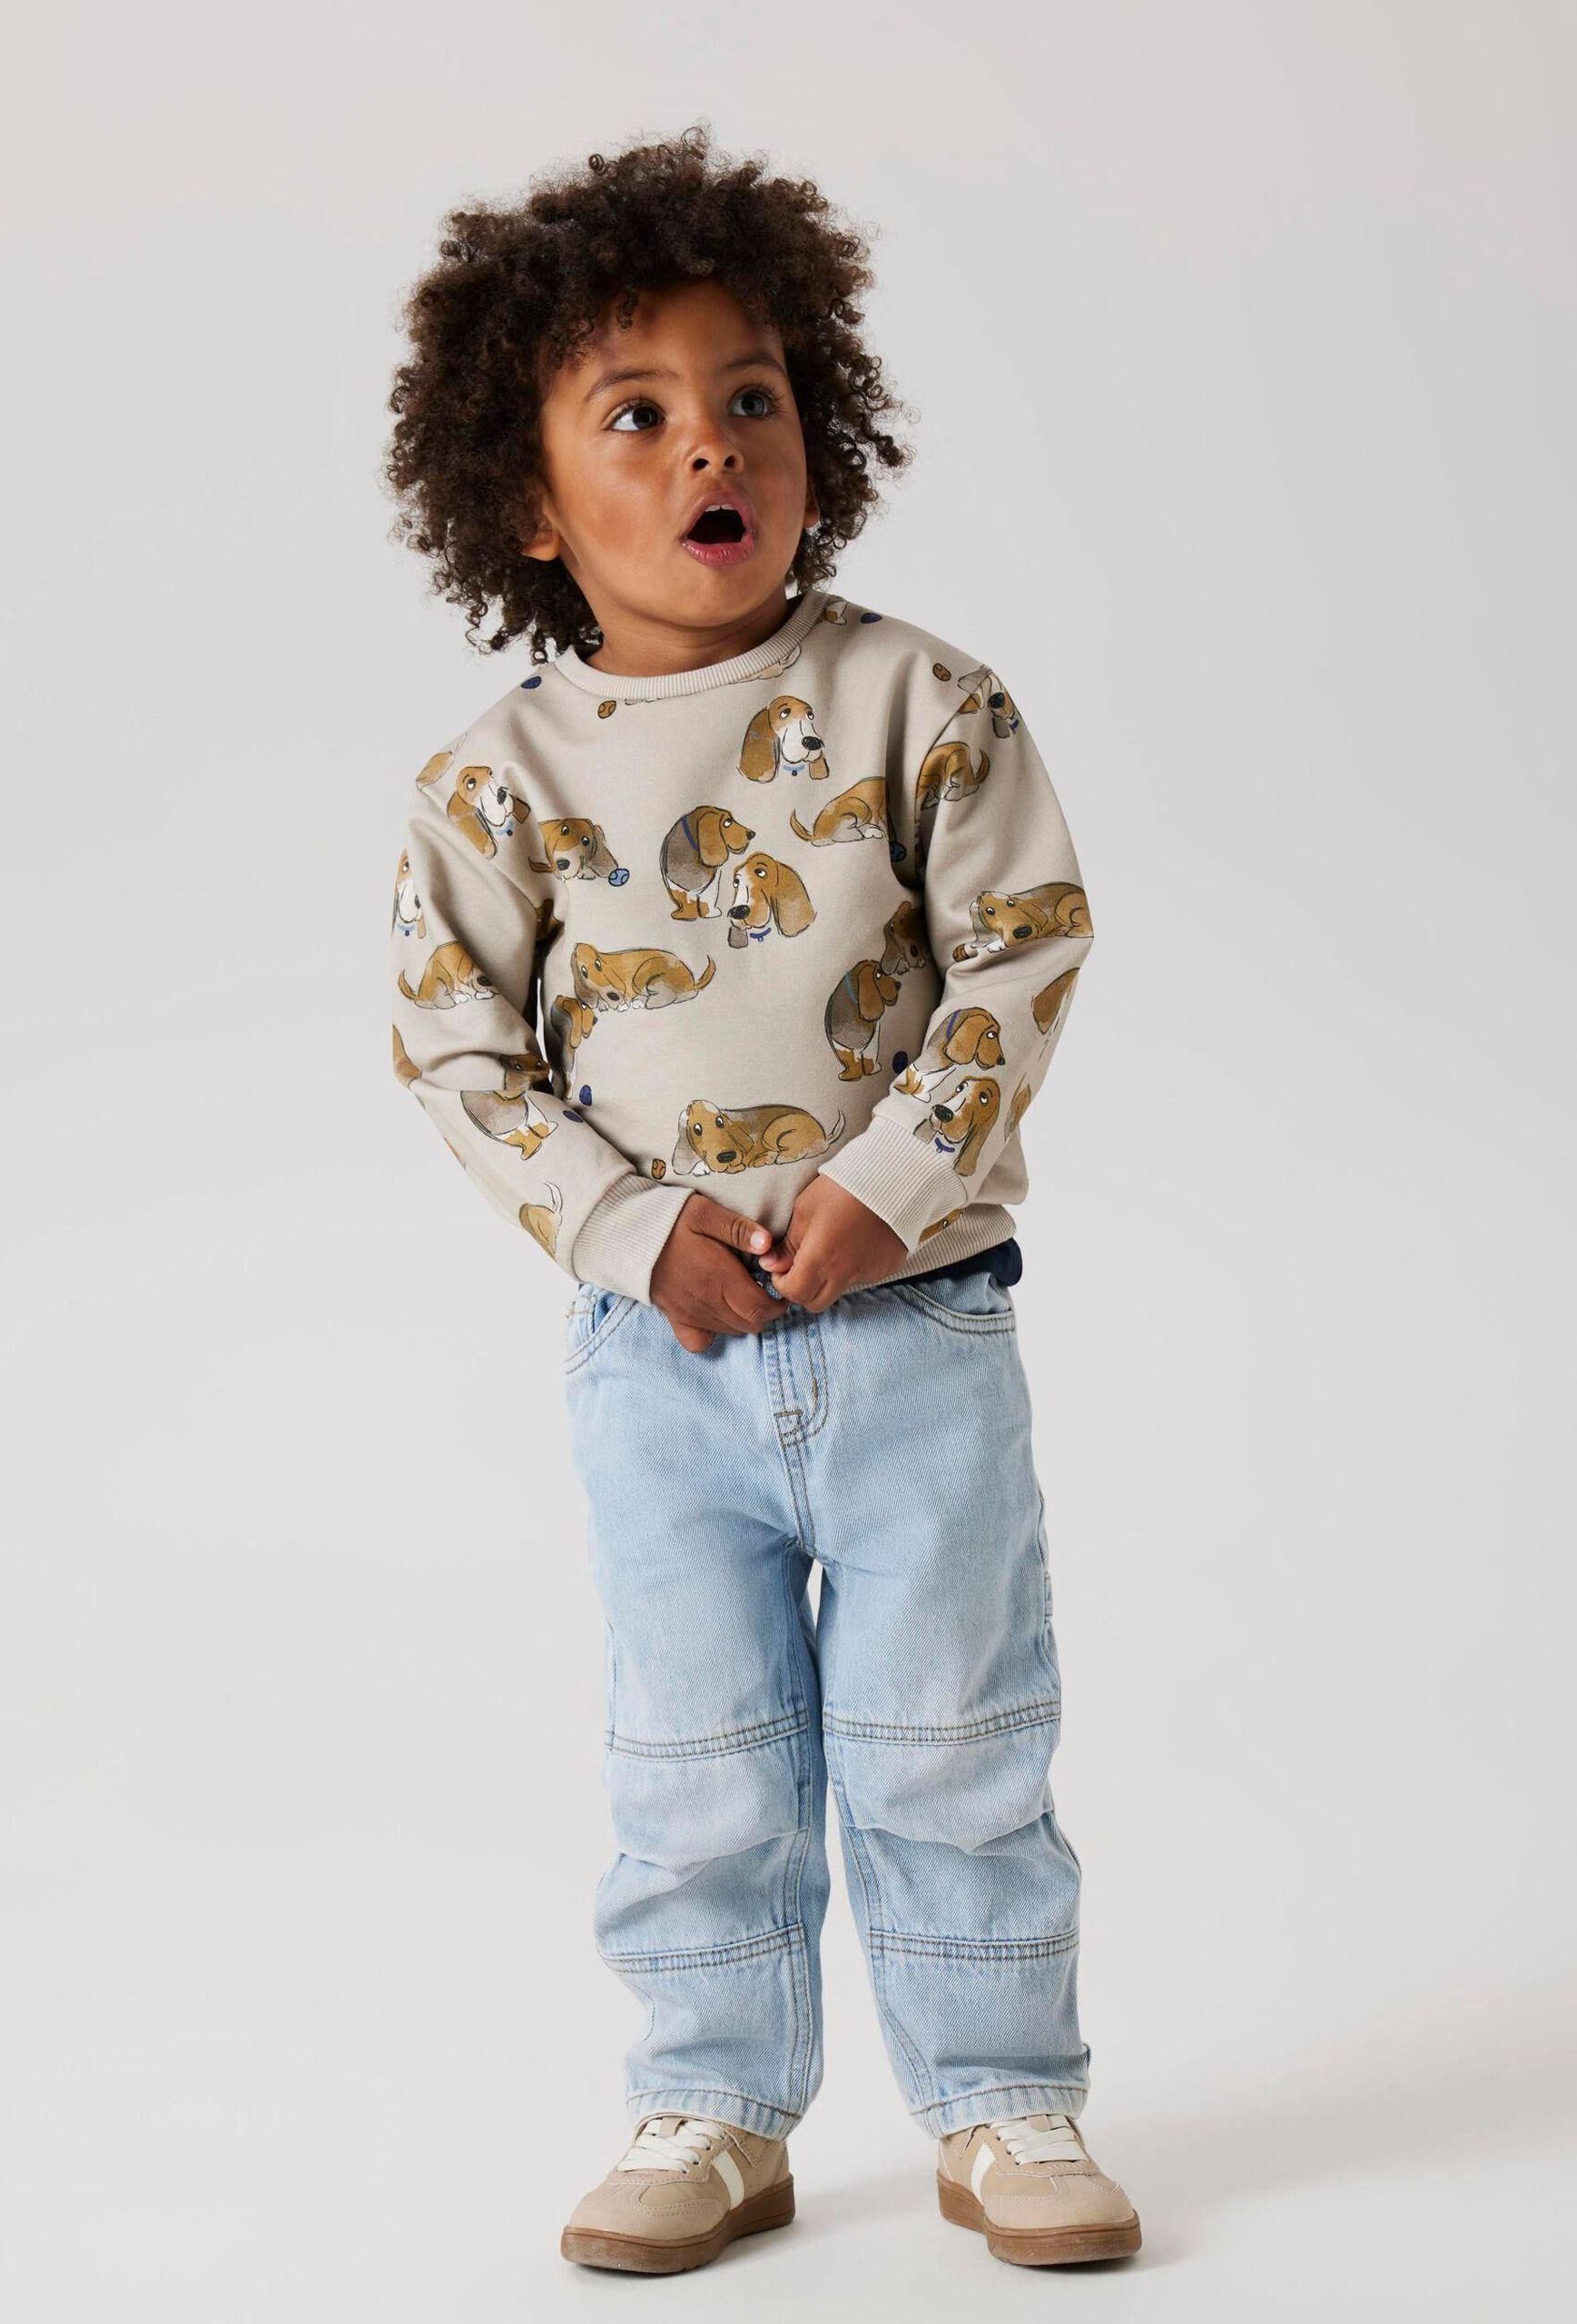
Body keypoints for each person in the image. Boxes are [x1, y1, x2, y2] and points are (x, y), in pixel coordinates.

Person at [382, 124, 1139, 2275]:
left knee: (952, 1732)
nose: (710, 443)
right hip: (661, 1362)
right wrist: (632, 1232)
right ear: (530, 501)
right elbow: (454, 1045)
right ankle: (711, 2099)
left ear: (822, 431)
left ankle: (1004, 2100)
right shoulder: (495, 786)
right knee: (695, 1748)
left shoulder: (923, 704)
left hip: (916, 1331)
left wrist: (893, 1182)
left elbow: (1022, 947)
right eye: (635, 415)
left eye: (751, 397)